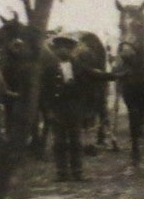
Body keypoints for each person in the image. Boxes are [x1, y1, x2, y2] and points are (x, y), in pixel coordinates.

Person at [42, 34, 120, 181]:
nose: (64, 51)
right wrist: (49, 111)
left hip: (74, 107)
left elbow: (94, 74)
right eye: (60, 47)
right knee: (59, 142)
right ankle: (62, 173)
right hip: (58, 108)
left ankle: (77, 172)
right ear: (56, 50)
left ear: (72, 50)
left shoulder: (77, 65)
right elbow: (45, 91)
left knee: (75, 141)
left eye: (68, 47)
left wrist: (115, 76)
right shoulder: (49, 68)